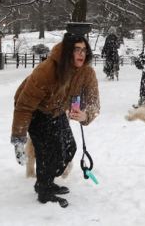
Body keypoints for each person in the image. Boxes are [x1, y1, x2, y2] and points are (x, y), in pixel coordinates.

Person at [10, 33, 100, 207]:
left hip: (58, 109)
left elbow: (94, 102)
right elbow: (24, 106)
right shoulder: (47, 70)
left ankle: (47, 180)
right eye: (76, 50)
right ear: (67, 52)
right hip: (35, 110)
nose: (81, 54)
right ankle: (44, 190)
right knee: (48, 152)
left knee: (68, 148)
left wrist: (86, 115)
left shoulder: (87, 72)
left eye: (84, 50)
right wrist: (19, 139)